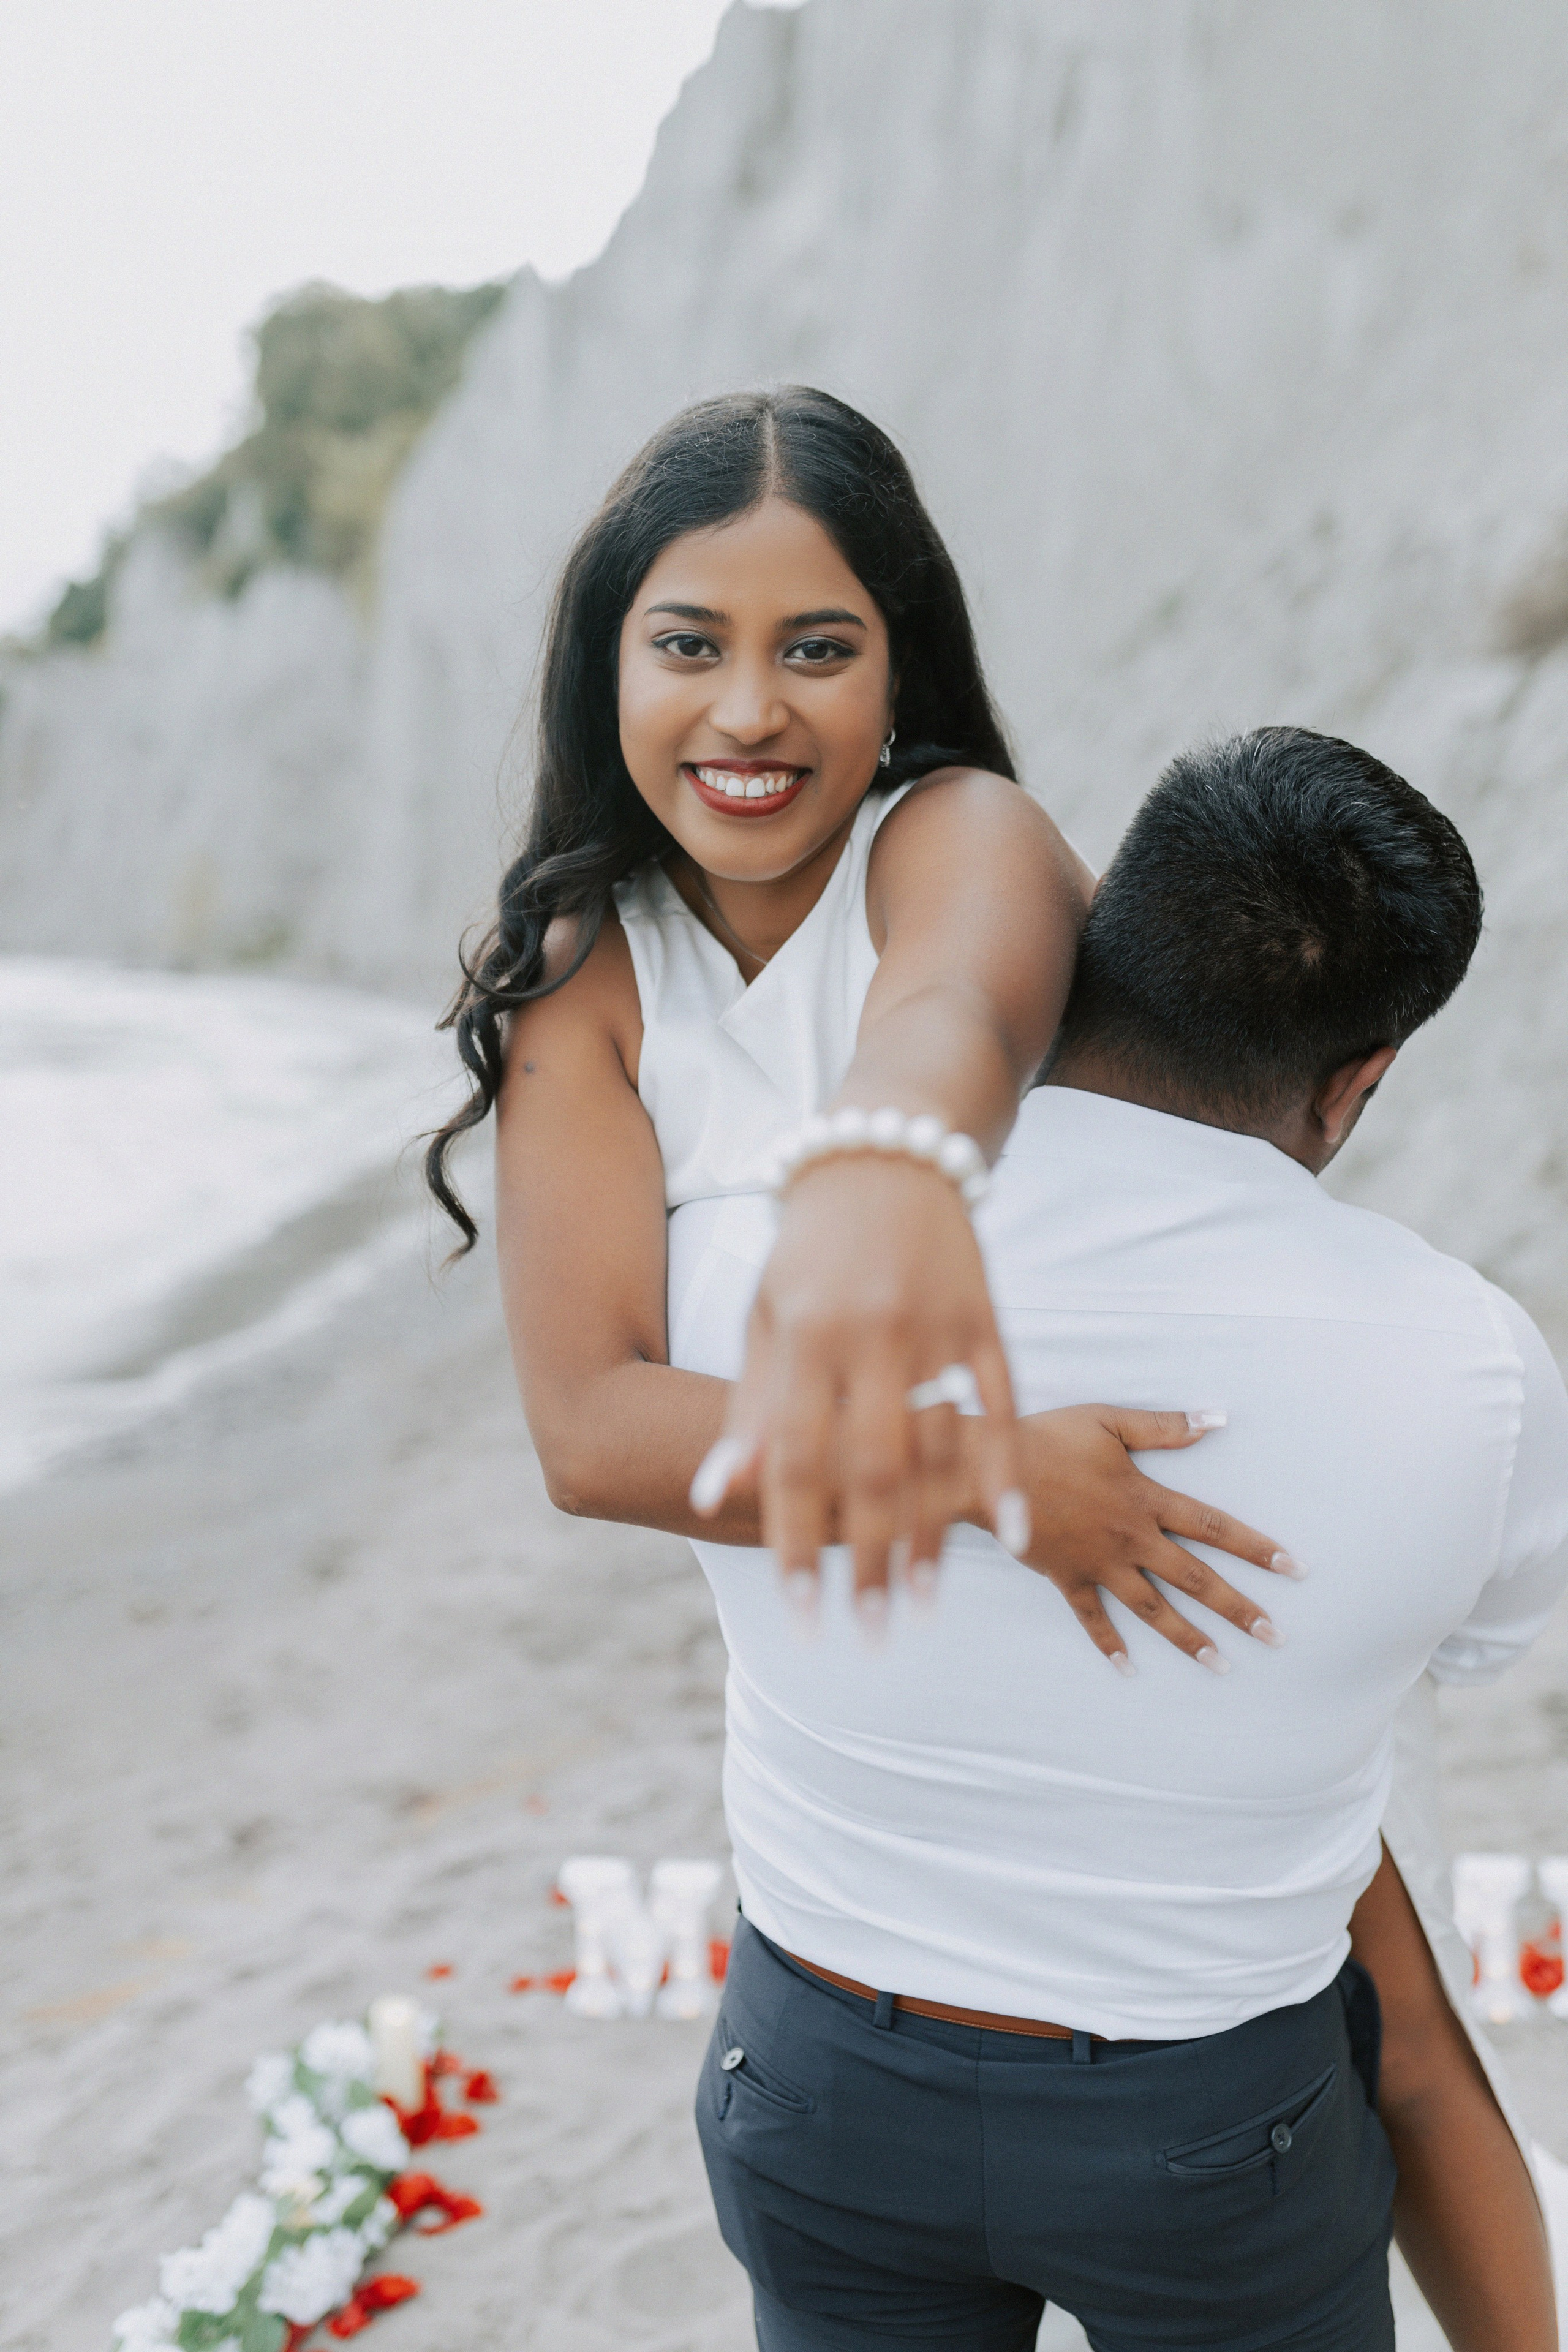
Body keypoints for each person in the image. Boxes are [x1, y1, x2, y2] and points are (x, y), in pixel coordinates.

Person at [665, 728, 1568, 2348]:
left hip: (822, 2083)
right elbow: (1482, 1641)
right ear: (1358, 1081)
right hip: (1206, 2126)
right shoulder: (1472, 1363)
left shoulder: (760, 1253)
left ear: (1088, 945)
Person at [428, 384, 1295, 1664]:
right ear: (604, 667)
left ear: (896, 669)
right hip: (839, 1757)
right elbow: (591, 1433)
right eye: (687, 646)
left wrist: (882, 1159)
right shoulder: (585, 977)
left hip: (1195, 1615)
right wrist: (981, 1476)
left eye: (816, 650)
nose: (746, 711)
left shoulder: (959, 833)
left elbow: (952, 1011)